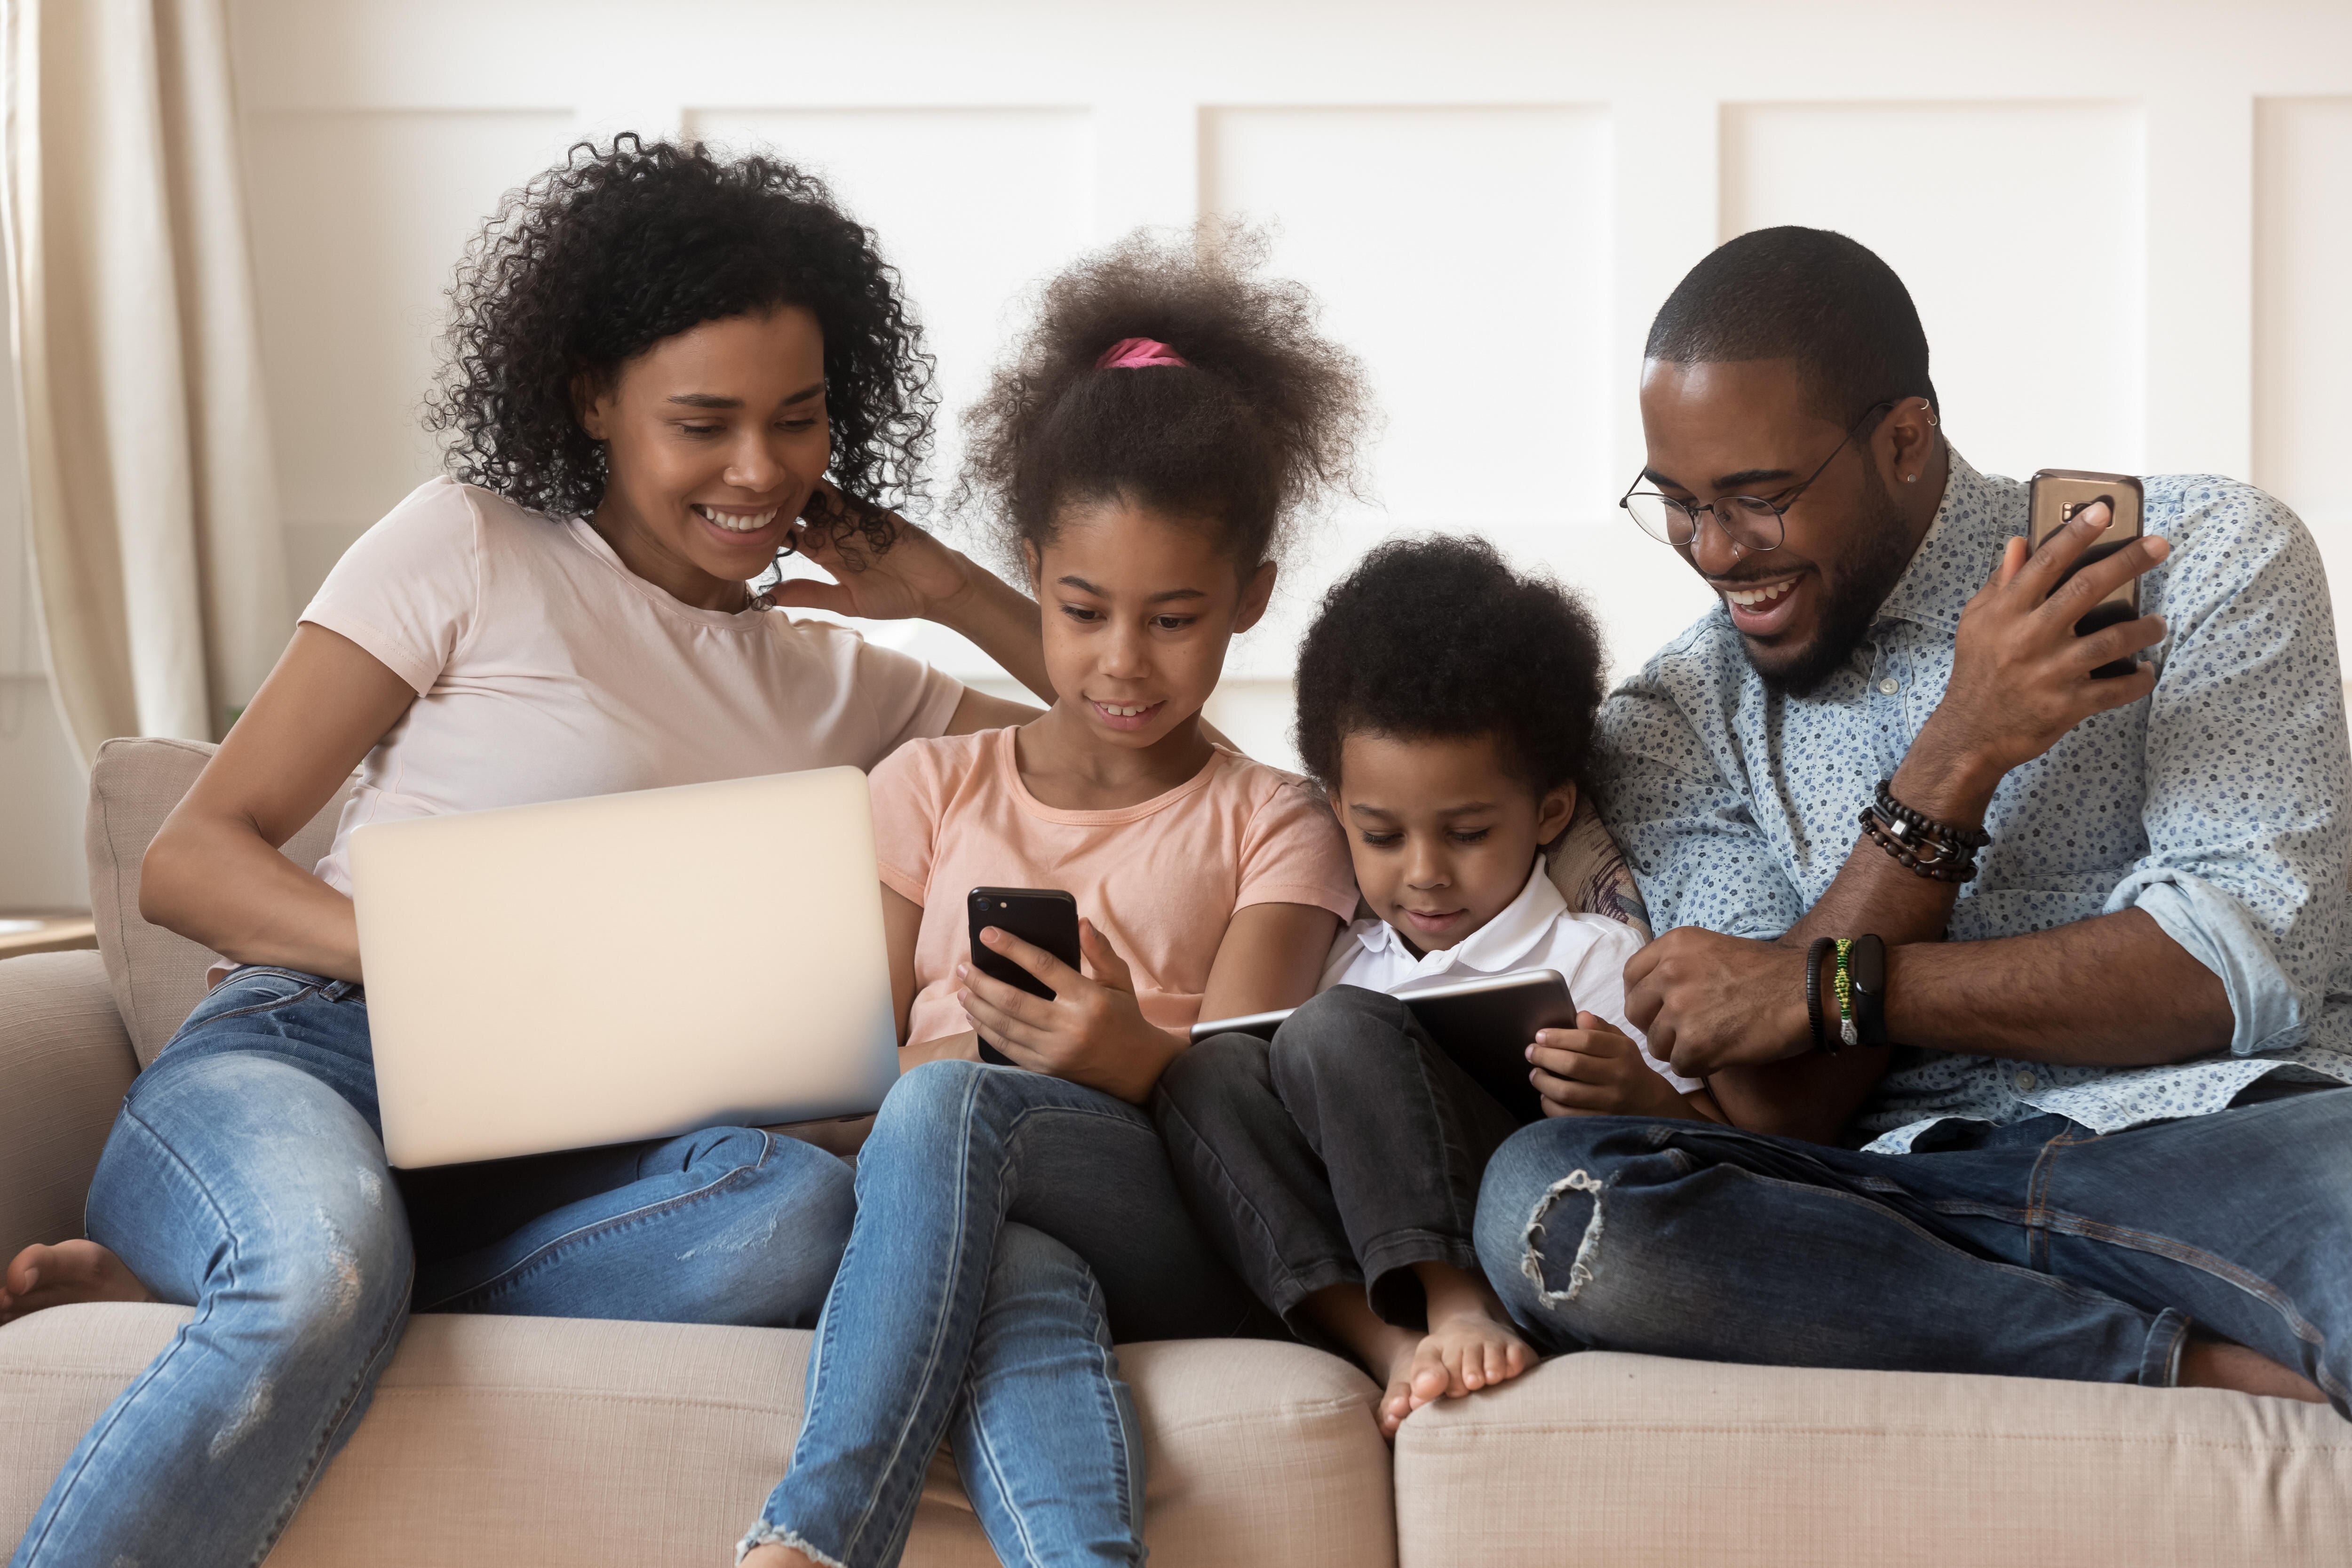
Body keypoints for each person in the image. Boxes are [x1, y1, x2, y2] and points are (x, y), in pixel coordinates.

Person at [0, 136, 1059, 1568]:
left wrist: (940, 587)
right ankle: (296, 1269)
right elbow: (193, 859)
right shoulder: (471, 545)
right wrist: (444, 957)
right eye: (704, 422)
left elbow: (1159, 746)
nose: (761, 470)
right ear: (591, 399)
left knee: (803, 1215)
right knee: (317, 1265)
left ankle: (260, 1277)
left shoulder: (849, 683)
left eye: (798, 418)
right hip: (317, 1055)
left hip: (585, 1158)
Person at [1475, 225, 2352, 1414]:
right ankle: (2177, 1362)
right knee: (1554, 1200)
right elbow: (1783, 1100)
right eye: (1677, 503)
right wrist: (1956, 753)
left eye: (1759, 499)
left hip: (2220, 1141)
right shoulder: (1674, 719)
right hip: (1885, 1200)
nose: (1717, 552)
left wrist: (1830, 986)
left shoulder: (2207, 561)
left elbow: (2243, 966)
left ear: (1902, 440)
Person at [740, 228, 1366, 1568]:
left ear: (1251, 599)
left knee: (956, 1101)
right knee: (1008, 1247)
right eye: (1083, 610)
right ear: (1034, 572)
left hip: (1186, 1221)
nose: (1122, 660)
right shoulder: (926, 786)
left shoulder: (1276, 821)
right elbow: (830, 1071)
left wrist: (1128, 1053)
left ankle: (819, 1534)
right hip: (968, 1195)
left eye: (1175, 617)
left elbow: (1257, 1116)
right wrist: (933, 1078)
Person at [1156, 536, 1715, 1438]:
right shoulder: (1342, 953)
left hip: (1521, 1237)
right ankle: (1389, 1346)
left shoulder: (1593, 957)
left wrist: (1642, 1094)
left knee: (1335, 1029)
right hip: (1365, 1260)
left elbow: (1722, 1168)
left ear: (1550, 812)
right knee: (1207, 1072)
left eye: (1465, 833)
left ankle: (1460, 1305)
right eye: (1381, 835)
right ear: (1337, 809)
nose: (1424, 875)